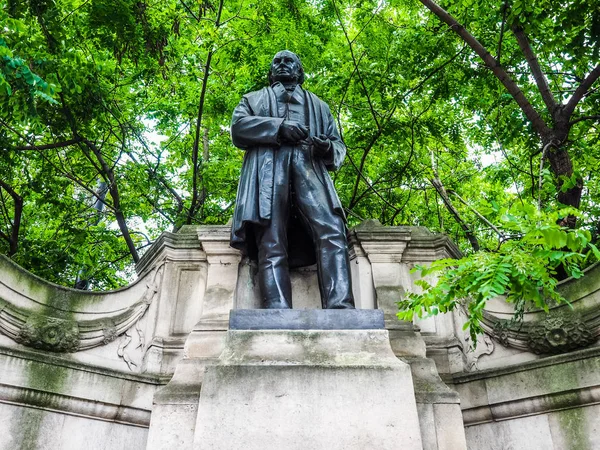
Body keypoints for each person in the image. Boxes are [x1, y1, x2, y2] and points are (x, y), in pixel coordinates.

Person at [230, 50, 355, 310]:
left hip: (309, 168)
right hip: (268, 172)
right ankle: (276, 309)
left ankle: (340, 307)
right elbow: (239, 128)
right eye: (277, 61)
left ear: (299, 71)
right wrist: (278, 127)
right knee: (271, 238)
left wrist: (327, 149)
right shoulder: (253, 99)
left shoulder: (319, 106)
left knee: (332, 230)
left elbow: (338, 146)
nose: (283, 64)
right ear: (271, 71)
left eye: (289, 61)